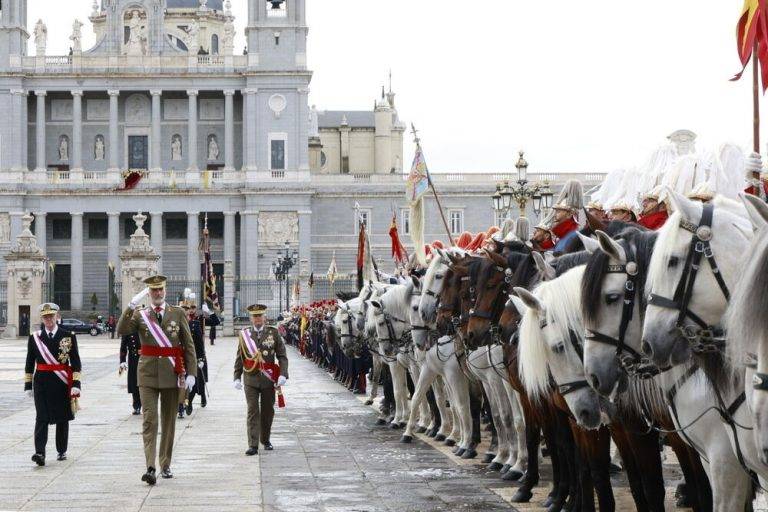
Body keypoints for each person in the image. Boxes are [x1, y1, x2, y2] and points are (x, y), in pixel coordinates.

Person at [116, 275, 197, 485]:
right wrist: (130, 306)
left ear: (165, 291)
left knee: (169, 422)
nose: (157, 293)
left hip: (172, 373)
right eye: (153, 291)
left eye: (160, 290)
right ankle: (150, 467)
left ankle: (165, 463)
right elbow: (121, 330)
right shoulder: (141, 315)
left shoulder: (177, 313)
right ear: (149, 293)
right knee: (149, 420)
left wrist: (191, 373)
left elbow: (188, 345)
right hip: (148, 375)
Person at [24, 303, 82, 466]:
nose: (48, 319)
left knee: (62, 416)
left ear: (57, 316)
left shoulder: (68, 335)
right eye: (45, 317)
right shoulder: (35, 337)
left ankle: (61, 450)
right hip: (41, 381)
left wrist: (76, 383)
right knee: (41, 416)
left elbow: (76, 361)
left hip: (61, 381)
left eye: (51, 316)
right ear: (42, 318)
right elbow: (29, 362)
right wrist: (28, 385)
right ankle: (39, 452)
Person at [233, 304, 289, 455]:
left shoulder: (273, 333)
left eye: (260, 316)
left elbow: (282, 356)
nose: (257, 319)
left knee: (267, 411)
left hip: (268, 379)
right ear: (251, 318)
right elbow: (240, 357)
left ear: (264, 317)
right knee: (252, 410)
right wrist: (236, 377)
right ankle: (253, 444)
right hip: (250, 378)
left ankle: (266, 439)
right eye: (255, 316)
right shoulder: (244, 335)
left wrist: (283, 374)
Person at [182, 302, 207, 416]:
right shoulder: (174, 324)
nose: (187, 311)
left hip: (193, 357)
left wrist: (201, 358)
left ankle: (189, 401)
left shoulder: (194, 325)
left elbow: (199, 343)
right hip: (179, 358)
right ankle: (180, 404)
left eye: (187, 309)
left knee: (193, 381)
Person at [119, 332, 142, 415]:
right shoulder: (128, 328)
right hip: (133, 359)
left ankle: (146, 404)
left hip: (146, 357)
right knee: (134, 382)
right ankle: (137, 406)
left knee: (146, 382)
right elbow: (123, 346)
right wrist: (122, 360)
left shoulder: (145, 325)